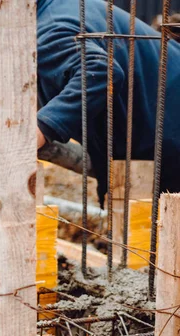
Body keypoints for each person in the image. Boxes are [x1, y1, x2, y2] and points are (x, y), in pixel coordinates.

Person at [36, 0, 180, 204]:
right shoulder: (64, 7)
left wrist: (41, 127)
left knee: (155, 228)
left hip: (167, 139)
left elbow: (102, 72)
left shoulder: (50, 27)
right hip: (159, 129)